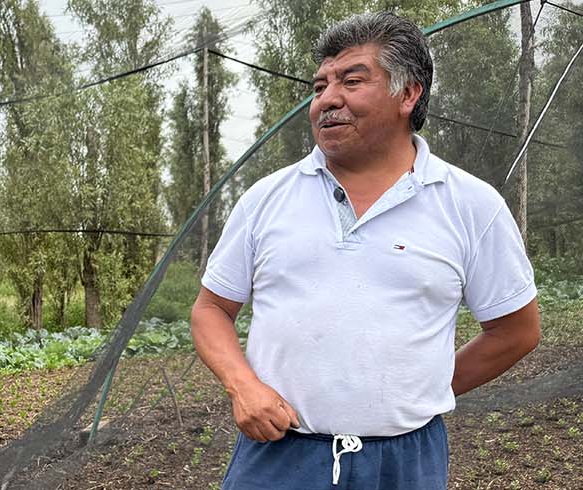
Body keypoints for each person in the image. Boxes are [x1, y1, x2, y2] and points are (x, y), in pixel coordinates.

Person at [191, 11, 541, 489]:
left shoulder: (471, 205)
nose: (327, 100)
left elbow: (516, 330)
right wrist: (244, 386)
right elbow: (211, 308)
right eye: (319, 87)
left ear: (409, 94)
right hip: (278, 456)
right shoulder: (266, 199)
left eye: (352, 81)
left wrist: (422, 390)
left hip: (406, 462)